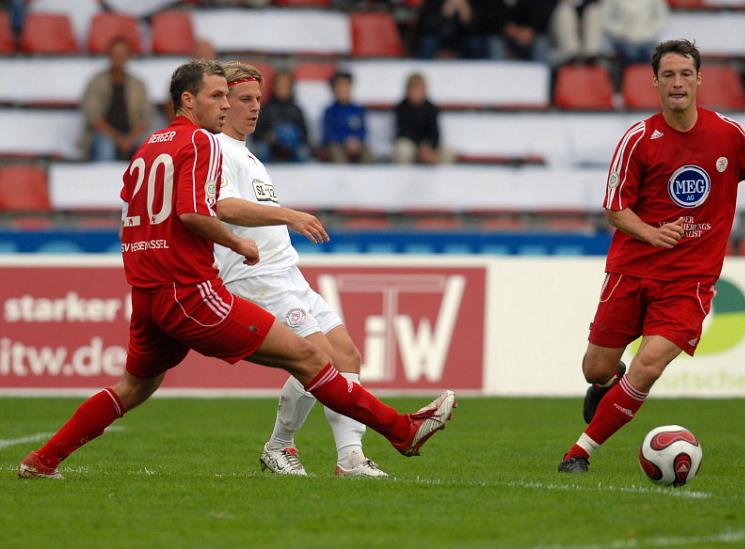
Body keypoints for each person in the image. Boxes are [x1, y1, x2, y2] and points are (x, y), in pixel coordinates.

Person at [18, 59, 456, 480]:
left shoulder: (149, 148)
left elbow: (134, 210)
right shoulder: (202, 142)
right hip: (188, 291)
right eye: (219, 96)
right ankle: (398, 432)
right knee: (310, 357)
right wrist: (235, 242)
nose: (227, 106)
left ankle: (42, 459)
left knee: (132, 388)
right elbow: (195, 212)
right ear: (188, 101)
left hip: (149, 293)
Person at [558, 39, 745, 474]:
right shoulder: (638, 140)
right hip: (632, 270)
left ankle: (579, 452)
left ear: (699, 79)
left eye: (686, 74)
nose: (678, 83)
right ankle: (606, 382)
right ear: (655, 83)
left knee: (649, 364)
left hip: (690, 280)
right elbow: (613, 209)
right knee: (595, 367)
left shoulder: (727, 133)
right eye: (669, 75)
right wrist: (650, 233)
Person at [214, 61, 385, 477]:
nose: (255, 108)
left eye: (258, 100)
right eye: (245, 100)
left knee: (346, 353)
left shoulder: (250, 156)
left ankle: (350, 458)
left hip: (288, 274)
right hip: (255, 276)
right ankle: (279, 446)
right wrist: (289, 216)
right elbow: (221, 207)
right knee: (319, 358)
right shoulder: (216, 149)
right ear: (223, 102)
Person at [80, 36, 155, 161]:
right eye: (115, 53)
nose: (119, 57)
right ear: (109, 55)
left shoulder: (138, 84)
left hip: (132, 135)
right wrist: (118, 139)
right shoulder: (97, 82)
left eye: (123, 54)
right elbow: (94, 118)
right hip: (105, 135)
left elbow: (147, 116)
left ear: (128, 56)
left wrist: (130, 138)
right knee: (105, 146)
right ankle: (103, 179)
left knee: (152, 147)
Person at [250, 69, 311, 163]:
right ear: (274, 87)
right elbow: (255, 134)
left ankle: (299, 176)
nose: (283, 88)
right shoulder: (265, 109)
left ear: (291, 88)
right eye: (280, 85)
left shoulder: (296, 110)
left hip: (292, 148)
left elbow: (305, 135)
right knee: (261, 149)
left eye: (286, 86)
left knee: (302, 152)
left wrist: (294, 136)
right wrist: (269, 137)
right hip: (270, 147)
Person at [393, 72, 453, 165]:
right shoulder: (401, 108)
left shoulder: (432, 108)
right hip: (412, 147)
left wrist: (430, 148)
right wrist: (419, 148)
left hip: (428, 147)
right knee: (403, 149)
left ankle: (439, 176)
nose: (416, 93)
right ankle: (404, 177)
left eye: (419, 89)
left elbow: (435, 133)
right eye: (414, 89)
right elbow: (402, 132)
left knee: (449, 151)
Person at [321, 71, 372, 164]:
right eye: (339, 86)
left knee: (368, 152)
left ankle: (367, 177)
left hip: (357, 144)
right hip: (337, 145)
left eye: (346, 85)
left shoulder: (358, 109)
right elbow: (327, 134)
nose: (343, 89)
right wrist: (345, 141)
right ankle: (343, 177)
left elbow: (363, 131)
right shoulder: (330, 111)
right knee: (335, 150)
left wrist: (355, 141)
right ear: (334, 89)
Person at [550, 0, 606, 64]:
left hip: (584, 34)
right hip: (558, 36)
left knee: (594, 11)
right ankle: (571, 56)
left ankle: (591, 56)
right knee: (564, 10)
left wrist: (581, 22)